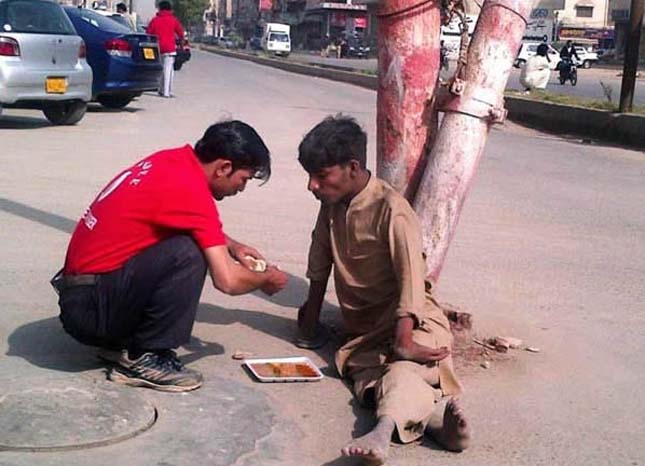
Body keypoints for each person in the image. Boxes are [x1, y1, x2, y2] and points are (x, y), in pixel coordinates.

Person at [52, 120, 289, 393]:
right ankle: (145, 358)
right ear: (224, 167)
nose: (241, 189)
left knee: (188, 242)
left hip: (84, 296)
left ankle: (123, 346)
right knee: (189, 253)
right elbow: (228, 281)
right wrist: (266, 278)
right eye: (243, 179)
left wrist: (233, 247)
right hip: (92, 311)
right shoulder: (192, 191)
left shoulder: (171, 161)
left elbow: (178, 217)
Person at [296, 115, 471, 465]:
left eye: (321, 176)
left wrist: (405, 343)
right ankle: (431, 427)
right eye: (309, 176)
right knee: (368, 378)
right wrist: (309, 320)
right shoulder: (331, 204)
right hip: (365, 334)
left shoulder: (393, 211)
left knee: (404, 370)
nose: (312, 186)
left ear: (352, 167)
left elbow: (411, 281)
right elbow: (320, 258)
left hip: (413, 324)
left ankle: (381, 433)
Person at [147, 1, 185, 98]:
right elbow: (181, 33)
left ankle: (160, 89)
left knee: (160, 69)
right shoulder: (173, 20)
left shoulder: (155, 20)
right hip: (169, 48)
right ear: (170, 9)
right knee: (168, 70)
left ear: (160, 9)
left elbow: (148, 33)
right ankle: (167, 92)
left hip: (157, 48)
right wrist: (181, 44)